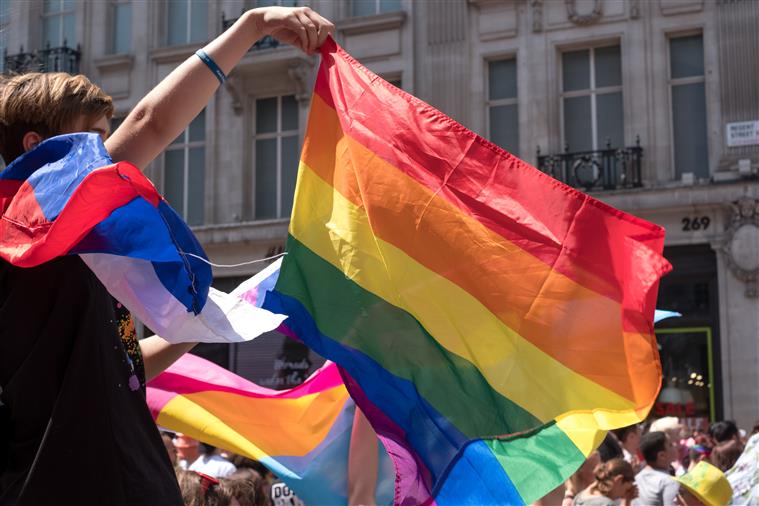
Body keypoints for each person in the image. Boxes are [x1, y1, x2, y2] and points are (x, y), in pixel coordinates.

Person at [0, 6, 334, 505]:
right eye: (93, 141)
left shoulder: (77, 254)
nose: (109, 163)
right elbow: (152, 122)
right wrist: (252, 26)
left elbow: (126, 368)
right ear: (37, 148)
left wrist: (218, 314)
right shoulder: (34, 235)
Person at [634, 431, 681, 506]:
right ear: (661, 455)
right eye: (670, 445)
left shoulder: (635, 479)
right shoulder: (669, 482)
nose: (675, 445)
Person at [573, 458, 638, 506]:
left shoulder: (580, 496)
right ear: (619, 480)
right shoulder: (606, 504)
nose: (622, 496)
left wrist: (627, 500)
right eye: (626, 490)